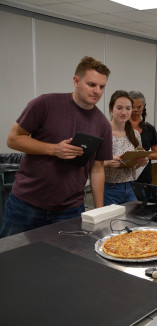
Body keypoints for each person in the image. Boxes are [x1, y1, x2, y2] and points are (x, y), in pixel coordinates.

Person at [0, 56, 113, 238]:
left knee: (63, 264)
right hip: (27, 202)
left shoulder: (102, 125)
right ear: (76, 81)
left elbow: (98, 168)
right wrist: (54, 149)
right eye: (91, 84)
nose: (97, 91)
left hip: (70, 208)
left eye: (102, 87)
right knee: (11, 258)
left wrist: (98, 211)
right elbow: (13, 139)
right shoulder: (45, 104)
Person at [103, 91, 148, 205]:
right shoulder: (102, 132)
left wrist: (141, 162)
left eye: (128, 108)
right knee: (110, 222)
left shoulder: (135, 134)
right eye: (119, 108)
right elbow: (90, 162)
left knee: (131, 222)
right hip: (109, 188)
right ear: (111, 109)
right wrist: (108, 162)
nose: (124, 112)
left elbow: (136, 164)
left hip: (131, 187)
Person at [128, 91, 157, 184]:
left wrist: (143, 155)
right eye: (133, 107)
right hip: (125, 176)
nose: (136, 110)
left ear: (143, 107)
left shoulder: (150, 129)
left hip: (144, 176)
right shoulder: (120, 127)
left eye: (139, 107)